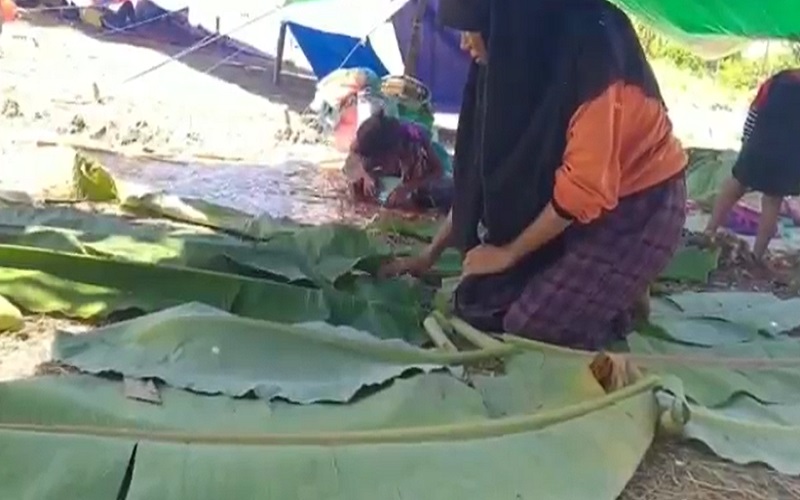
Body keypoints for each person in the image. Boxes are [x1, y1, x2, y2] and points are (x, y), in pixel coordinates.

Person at [380, 0, 688, 350]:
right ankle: (612, 285)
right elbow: (476, 176)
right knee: (484, 298)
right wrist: (429, 255)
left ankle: (622, 295)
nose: (465, 43)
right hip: (580, 210)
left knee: (526, 326)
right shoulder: (512, 54)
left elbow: (584, 189)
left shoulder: (596, 55)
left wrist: (509, 253)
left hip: (639, 207)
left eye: (471, 29)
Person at [705, 69, 800, 259]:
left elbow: (755, 110)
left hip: (759, 143)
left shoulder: (779, 78)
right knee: (772, 201)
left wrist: (746, 141)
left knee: (736, 184)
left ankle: (709, 232)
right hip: (787, 154)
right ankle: (756, 257)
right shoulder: (780, 78)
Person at [344, 109, 454, 212]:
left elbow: (437, 171)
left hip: (437, 166)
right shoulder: (367, 139)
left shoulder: (416, 138)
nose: (381, 165)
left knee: (434, 194)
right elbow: (353, 157)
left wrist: (407, 188)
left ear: (394, 151)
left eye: (383, 161)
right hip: (399, 166)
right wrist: (366, 176)